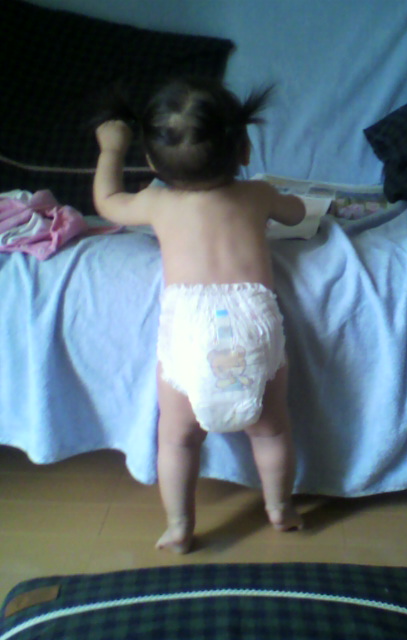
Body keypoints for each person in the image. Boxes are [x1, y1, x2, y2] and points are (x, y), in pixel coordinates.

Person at [93, 77, 305, 553]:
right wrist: (288, 201)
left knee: (178, 439)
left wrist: (111, 149)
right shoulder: (258, 194)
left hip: (189, 327)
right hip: (252, 319)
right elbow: (296, 213)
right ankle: (280, 508)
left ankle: (179, 526)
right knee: (271, 429)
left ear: (153, 163)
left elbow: (106, 202)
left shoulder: (156, 202)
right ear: (244, 150)